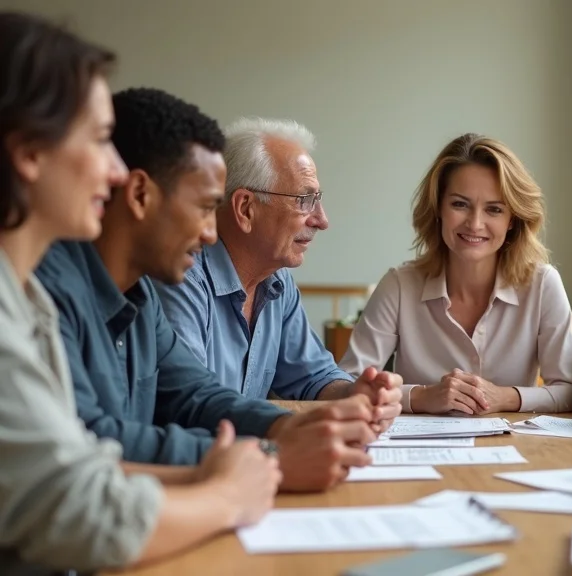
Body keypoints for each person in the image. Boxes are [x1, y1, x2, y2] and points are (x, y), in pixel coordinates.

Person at [0, 12, 279, 573]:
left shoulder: (23, 296)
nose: (115, 171)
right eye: (101, 141)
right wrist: (228, 491)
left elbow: (84, 465)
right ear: (29, 152)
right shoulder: (32, 296)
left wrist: (253, 453)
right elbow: (76, 508)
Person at [35, 87, 381, 492]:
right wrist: (270, 456)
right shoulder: (48, 289)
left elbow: (196, 395)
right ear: (140, 195)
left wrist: (290, 425)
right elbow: (91, 441)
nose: (208, 232)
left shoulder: (141, 294)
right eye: (203, 208)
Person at [153, 117, 401, 419]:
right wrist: (283, 428)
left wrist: (355, 393)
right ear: (246, 208)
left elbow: (313, 377)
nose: (322, 221)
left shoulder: (277, 280)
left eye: (317, 200)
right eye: (305, 200)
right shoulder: (182, 274)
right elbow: (191, 401)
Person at [340, 133, 572, 414]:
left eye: (494, 209)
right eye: (460, 204)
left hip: (516, 450)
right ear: (439, 208)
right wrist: (422, 396)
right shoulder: (399, 285)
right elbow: (348, 383)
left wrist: (505, 398)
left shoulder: (542, 284)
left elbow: (571, 389)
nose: (475, 223)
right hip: (417, 452)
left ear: (512, 220)